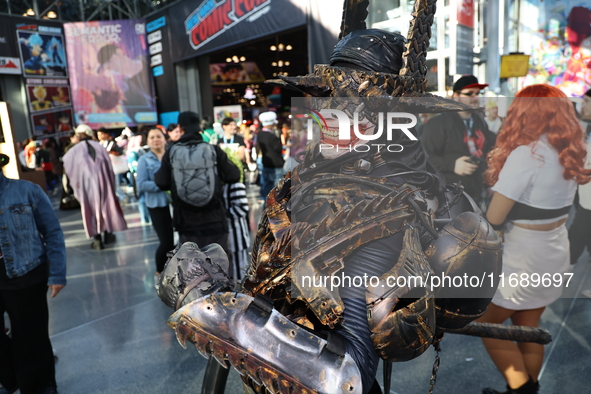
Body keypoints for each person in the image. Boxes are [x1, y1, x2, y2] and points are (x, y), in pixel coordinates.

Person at [156, 7, 506, 393]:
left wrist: (208, 302)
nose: (323, 113)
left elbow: (343, 375)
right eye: (323, 99)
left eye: (340, 103)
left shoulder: (383, 213)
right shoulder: (319, 177)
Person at [478, 84, 591, 394]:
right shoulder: (568, 151)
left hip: (521, 256)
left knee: (486, 324)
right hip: (554, 250)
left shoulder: (527, 155)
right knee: (528, 325)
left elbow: (495, 217)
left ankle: (520, 388)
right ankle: (531, 387)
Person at [0, 153, 66, 394]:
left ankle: (41, 385)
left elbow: (53, 233)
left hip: (27, 275)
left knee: (32, 338)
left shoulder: (27, 191)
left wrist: (57, 274)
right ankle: (11, 377)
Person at [154, 111, 240, 251]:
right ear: (199, 126)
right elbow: (234, 175)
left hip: (186, 223)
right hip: (215, 219)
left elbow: (161, 182)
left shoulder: (171, 153)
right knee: (219, 267)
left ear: (180, 127)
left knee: (192, 269)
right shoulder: (213, 150)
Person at [421, 75, 497, 204]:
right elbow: (422, 157)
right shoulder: (438, 123)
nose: (476, 97)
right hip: (449, 198)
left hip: (476, 193)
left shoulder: (479, 121)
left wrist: (489, 182)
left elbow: (488, 151)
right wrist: (452, 165)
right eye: (470, 94)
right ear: (456, 96)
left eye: (478, 93)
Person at [62, 124, 127, 250]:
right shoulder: (100, 147)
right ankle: (108, 234)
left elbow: (67, 171)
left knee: (90, 209)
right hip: (104, 184)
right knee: (106, 208)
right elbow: (109, 168)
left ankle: (97, 240)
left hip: (85, 186)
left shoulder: (73, 151)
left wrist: (69, 190)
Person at [136, 127, 174, 281]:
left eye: (158, 136)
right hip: (157, 205)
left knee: (178, 241)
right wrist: (162, 185)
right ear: (147, 141)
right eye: (152, 138)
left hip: (176, 204)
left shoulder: (171, 155)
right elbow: (142, 184)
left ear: (165, 139)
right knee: (166, 242)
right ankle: (159, 271)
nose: (156, 140)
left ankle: (173, 270)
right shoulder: (144, 160)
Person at [568, 89, 591, 277]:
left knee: (577, 232)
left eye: (586, 102)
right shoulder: (585, 128)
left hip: (588, 199)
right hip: (584, 195)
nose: (582, 106)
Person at [256, 111, 284, 201]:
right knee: (278, 192)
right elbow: (278, 148)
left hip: (266, 165)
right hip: (276, 166)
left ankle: (266, 211)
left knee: (267, 191)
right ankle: (276, 212)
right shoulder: (272, 136)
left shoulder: (260, 134)